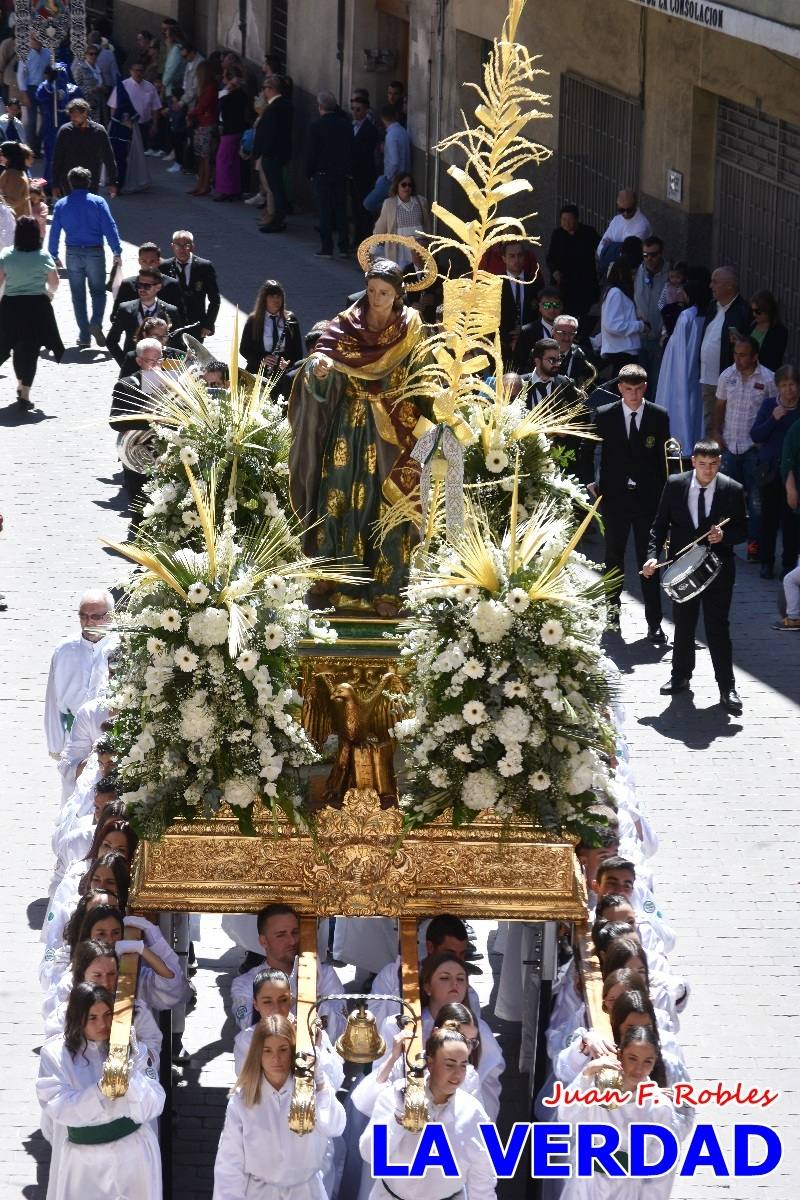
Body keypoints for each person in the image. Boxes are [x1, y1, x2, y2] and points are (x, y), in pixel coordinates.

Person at [288, 258, 427, 614]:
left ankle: (387, 586)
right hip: (349, 425)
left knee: (389, 502)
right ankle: (333, 572)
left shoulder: (411, 327)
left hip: (394, 429)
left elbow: (423, 374)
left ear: (397, 296)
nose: (376, 298)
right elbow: (323, 362)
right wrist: (319, 370)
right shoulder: (345, 324)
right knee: (338, 493)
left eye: (384, 293)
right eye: (371, 291)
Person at [644, 439, 747, 712]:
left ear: (720, 463)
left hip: (718, 571)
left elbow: (743, 531)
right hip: (683, 569)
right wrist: (652, 555)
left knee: (718, 629)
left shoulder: (732, 489)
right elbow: (658, 526)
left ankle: (727, 688)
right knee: (684, 625)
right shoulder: (675, 484)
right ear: (693, 462)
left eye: (713, 465)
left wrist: (724, 536)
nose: (708, 471)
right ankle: (680, 677)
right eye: (702, 465)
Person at [36, 983, 165, 1199]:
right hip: (84, 1163)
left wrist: (130, 1077)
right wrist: (100, 1091)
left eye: (107, 1014)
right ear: (78, 1019)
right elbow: (58, 1106)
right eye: (92, 1018)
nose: (103, 1024)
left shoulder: (131, 1048)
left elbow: (155, 1104)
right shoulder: (55, 1055)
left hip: (134, 1155)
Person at [213, 1015, 346, 1199]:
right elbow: (229, 1163)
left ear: (292, 1050)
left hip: (307, 1192)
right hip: (260, 1193)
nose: (276, 1058)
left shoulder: (310, 1088)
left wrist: (321, 1083)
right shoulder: (242, 1099)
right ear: (257, 1053)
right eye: (267, 1051)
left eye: (283, 1049)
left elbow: (334, 1126)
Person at [360, 1028, 497, 1199]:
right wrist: (398, 1119)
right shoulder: (395, 1096)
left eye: (463, 1065)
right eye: (449, 1064)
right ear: (430, 1062)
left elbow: (483, 1176)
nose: (457, 1073)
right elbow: (369, 1154)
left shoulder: (473, 1111)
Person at [590, 363, 670, 640]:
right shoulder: (605, 415)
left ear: (645, 387)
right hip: (615, 499)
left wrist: (667, 500)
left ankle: (654, 623)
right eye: (628, 390)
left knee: (649, 561)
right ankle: (611, 617)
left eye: (638, 390)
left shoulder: (658, 416)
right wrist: (591, 480)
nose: (633, 396)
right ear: (620, 389)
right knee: (613, 559)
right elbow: (588, 449)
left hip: (647, 500)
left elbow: (663, 462)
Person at [556, 1027, 683, 1199]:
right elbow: (565, 1118)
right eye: (632, 1058)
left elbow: (660, 1177)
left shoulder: (659, 1107)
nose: (639, 1069)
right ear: (620, 1054)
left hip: (626, 1191)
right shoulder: (598, 1089)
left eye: (647, 1061)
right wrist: (586, 1074)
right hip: (584, 1186)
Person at [230, 905, 345, 1040]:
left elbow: (339, 1033)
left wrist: (315, 997)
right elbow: (251, 1029)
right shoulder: (245, 983)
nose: (292, 941)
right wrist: (296, 994)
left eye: (295, 932)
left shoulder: (325, 975)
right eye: (281, 935)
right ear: (263, 941)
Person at [712, 335, 775, 560]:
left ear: (754, 356)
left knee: (756, 502)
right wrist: (716, 433)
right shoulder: (727, 376)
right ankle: (724, 544)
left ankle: (754, 547)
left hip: (754, 449)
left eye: (743, 355)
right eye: (736, 355)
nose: (738, 360)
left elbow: (773, 412)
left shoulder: (769, 379)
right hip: (730, 446)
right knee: (727, 499)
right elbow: (719, 405)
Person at [49, 166, 122, 349]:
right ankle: (96, 322)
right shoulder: (98, 202)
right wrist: (116, 250)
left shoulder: (61, 204)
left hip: (73, 252)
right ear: (90, 182)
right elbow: (109, 226)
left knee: (77, 295)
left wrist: (53, 254)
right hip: (95, 251)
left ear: (69, 183)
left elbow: (55, 232)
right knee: (98, 292)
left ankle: (83, 335)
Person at [0, 214, 63, 409]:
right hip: (37, 307)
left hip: (11, 306)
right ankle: (24, 390)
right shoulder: (43, 256)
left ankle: (20, 384)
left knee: (7, 343)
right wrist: (49, 295)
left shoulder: (6, 254)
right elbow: (54, 283)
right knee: (30, 349)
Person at [43, 590, 115, 760]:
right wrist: (55, 746)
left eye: (95, 617)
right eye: (83, 616)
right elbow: (53, 700)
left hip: (110, 739)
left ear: (110, 617)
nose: (88, 621)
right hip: (73, 741)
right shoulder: (64, 649)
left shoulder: (122, 647)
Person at [750, 363, 800, 579]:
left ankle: (789, 564)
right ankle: (766, 561)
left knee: (791, 521)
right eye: (785, 385)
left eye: (793, 384)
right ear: (778, 386)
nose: (789, 390)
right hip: (769, 472)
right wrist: (773, 418)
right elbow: (756, 435)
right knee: (768, 519)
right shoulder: (770, 405)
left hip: (794, 474)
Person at [654, 276, 709, 455]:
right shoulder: (706, 314)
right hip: (699, 369)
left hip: (683, 368)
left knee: (682, 405)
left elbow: (678, 351)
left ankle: (681, 444)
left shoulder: (687, 316)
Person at [699, 265, 750, 436]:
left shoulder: (742, 311)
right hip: (707, 377)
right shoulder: (713, 305)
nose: (710, 286)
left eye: (715, 282)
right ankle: (709, 460)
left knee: (724, 425)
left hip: (728, 380)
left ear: (729, 286)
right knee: (709, 422)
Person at [305, 90, 352, 257]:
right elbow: (349, 150)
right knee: (340, 209)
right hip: (340, 174)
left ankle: (327, 247)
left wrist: (308, 171)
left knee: (324, 210)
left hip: (322, 173)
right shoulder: (345, 125)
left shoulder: (316, 126)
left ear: (320, 107)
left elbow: (312, 152)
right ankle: (344, 247)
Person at [106, 269, 179, 366]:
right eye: (139, 285)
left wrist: (170, 364)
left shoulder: (170, 311)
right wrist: (124, 363)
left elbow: (178, 342)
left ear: (158, 287)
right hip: (132, 368)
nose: (142, 289)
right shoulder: (125, 309)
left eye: (147, 286)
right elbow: (111, 340)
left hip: (162, 368)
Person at [108, 62, 160, 192]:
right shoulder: (123, 86)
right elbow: (113, 108)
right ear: (131, 71)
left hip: (143, 125)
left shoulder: (150, 87)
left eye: (141, 70)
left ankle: (138, 178)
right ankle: (122, 180)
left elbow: (155, 108)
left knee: (139, 154)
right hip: (124, 126)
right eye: (136, 70)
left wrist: (155, 124)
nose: (138, 73)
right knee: (123, 154)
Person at [159, 229, 220, 340]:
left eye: (186, 245)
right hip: (171, 326)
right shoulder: (164, 267)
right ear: (172, 246)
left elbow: (215, 299)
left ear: (192, 247)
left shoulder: (204, 267)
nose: (182, 249)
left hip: (196, 326)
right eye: (178, 245)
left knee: (193, 357)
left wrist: (208, 324)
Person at [51, 98, 117, 198]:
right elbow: (57, 158)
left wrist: (113, 182)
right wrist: (55, 184)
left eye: (76, 114)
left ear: (85, 113)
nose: (73, 117)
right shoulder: (65, 131)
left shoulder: (99, 131)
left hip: (91, 180)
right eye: (71, 114)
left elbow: (109, 158)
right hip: (69, 180)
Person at [239, 278, 303, 381]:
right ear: (264, 299)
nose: (276, 300)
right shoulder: (253, 320)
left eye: (279, 296)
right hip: (259, 373)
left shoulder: (290, 319)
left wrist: (288, 363)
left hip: (283, 374)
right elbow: (244, 349)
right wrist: (262, 359)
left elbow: (298, 351)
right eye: (272, 296)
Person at [253, 73, 293, 234]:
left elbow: (269, 134)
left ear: (271, 89)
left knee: (275, 188)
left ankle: (278, 220)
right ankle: (278, 218)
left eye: (264, 88)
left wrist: (262, 152)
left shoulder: (274, 108)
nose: (263, 91)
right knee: (276, 188)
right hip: (280, 152)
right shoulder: (285, 105)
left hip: (272, 154)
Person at [545, 203, 599, 319]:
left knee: (580, 314)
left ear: (577, 219)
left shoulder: (588, 233)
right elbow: (550, 258)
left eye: (569, 220)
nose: (566, 223)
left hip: (582, 283)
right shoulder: (557, 234)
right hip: (562, 283)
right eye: (563, 219)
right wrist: (554, 271)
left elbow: (601, 248)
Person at [373, 172, 430, 270]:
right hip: (399, 248)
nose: (407, 187)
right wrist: (372, 248)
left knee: (419, 276)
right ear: (397, 186)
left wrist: (431, 244)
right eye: (403, 184)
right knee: (400, 274)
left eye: (409, 185)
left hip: (419, 246)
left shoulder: (421, 201)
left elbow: (427, 225)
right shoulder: (389, 204)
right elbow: (380, 228)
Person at [36, 64, 80, 188]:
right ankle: (50, 184)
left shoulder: (73, 89)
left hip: (69, 125)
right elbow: (40, 97)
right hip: (52, 126)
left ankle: (69, 183)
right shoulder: (46, 88)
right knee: (52, 155)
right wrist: (51, 85)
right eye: (58, 74)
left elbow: (80, 104)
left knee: (69, 155)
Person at [633, 236, 670, 387]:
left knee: (656, 382)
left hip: (660, 340)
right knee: (640, 383)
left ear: (661, 253)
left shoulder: (670, 275)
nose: (649, 259)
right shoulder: (638, 271)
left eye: (653, 255)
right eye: (645, 255)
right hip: (640, 337)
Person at [599, 257, 645, 374]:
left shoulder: (619, 292)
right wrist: (640, 325)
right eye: (632, 273)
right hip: (621, 352)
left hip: (625, 351)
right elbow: (613, 325)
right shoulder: (616, 293)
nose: (634, 277)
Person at [112, 242, 183, 315]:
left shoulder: (172, 285)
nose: (148, 265)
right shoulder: (127, 285)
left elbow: (179, 315)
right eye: (144, 261)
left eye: (152, 261)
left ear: (158, 262)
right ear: (139, 261)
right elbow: (116, 315)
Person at [499, 239, 539, 367]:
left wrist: (524, 332)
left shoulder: (534, 281)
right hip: (502, 346)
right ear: (504, 258)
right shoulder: (495, 284)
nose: (516, 260)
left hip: (530, 346)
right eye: (511, 256)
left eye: (519, 255)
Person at [350, 90, 380, 245]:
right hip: (353, 173)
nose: (355, 112)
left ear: (366, 110)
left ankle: (365, 240)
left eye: (358, 109)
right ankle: (356, 239)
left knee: (364, 209)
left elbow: (366, 152)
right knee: (355, 207)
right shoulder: (352, 126)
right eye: (353, 109)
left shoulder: (370, 129)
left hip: (365, 173)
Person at [214, 71, 251, 201]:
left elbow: (221, 104)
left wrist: (226, 89)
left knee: (223, 160)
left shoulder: (231, 96)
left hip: (230, 130)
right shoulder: (242, 95)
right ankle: (234, 189)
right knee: (234, 160)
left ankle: (226, 189)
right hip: (238, 129)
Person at [596, 188, 651, 273]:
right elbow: (600, 248)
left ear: (635, 205)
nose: (625, 213)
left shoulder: (642, 225)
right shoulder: (616, 219)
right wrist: (618, 247)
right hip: (609, 272)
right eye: (621, 210)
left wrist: (610, 247)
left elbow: (629, 255)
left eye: (629, 210)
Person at [16, 34, 50, 152]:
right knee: (32, 121)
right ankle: (31, 149)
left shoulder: (47, 53)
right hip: (30, 88)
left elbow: (50, 68)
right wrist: (24, 94)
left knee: (46, 118)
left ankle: (37, 144)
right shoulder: (25, 54)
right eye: (35, 39)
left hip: (44, 88)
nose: (38, 41)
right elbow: (20, 75)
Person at [553, 314, 596, 395]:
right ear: (553, 332)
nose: (567, 338)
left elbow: (592, 385)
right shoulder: (540, 353)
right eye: (563, 333)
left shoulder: (584, 354)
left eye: (571, 334)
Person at [747, 289, 788, 372]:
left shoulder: (780, 332)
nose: (754, 314)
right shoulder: (752, 325)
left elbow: (773, 360)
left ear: (767, 310)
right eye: (753, 310)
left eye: (758, 311)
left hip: (766, 376)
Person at [70, 46, 105, 120]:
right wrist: (91, 90)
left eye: (96, 54)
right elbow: (75, 87)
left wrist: (103, 88)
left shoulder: (99, 69)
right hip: (87, 103)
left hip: (100, 104)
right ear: (85, 55)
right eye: (91, 54)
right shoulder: (80, 69)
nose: (94, 56)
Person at [0, 139, 30, 216]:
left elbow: (12, 202)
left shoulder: (15, 176)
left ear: (10, 155)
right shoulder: (11, 171)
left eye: (1, 154)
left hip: (15, 223)